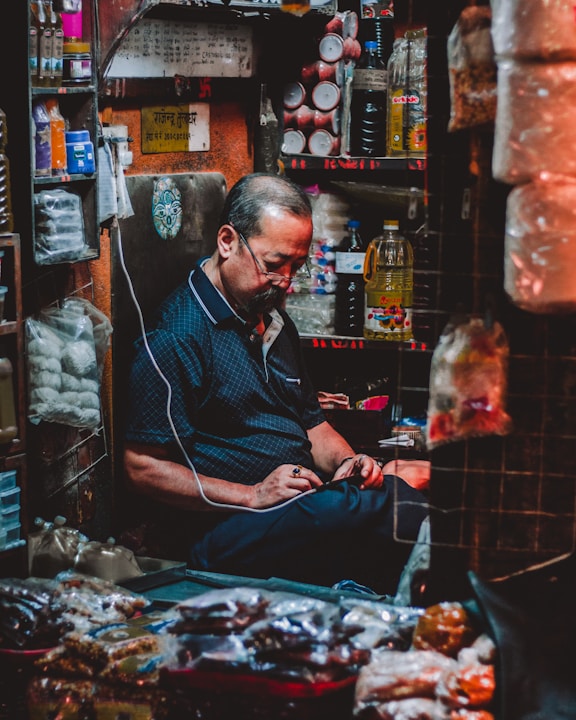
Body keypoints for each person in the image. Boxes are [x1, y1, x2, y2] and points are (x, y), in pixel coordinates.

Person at [123, 172, 430, 596]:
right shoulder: (177, 335)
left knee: (370, 499)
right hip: (224, 529)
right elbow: (142, 466)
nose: (285, 282)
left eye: (297, 267)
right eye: (273, 265)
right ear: (228, 241)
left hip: (296, 508)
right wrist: (251, 494)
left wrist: (347, 461)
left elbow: (313, 426)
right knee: (353, 511)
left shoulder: (273, 320)